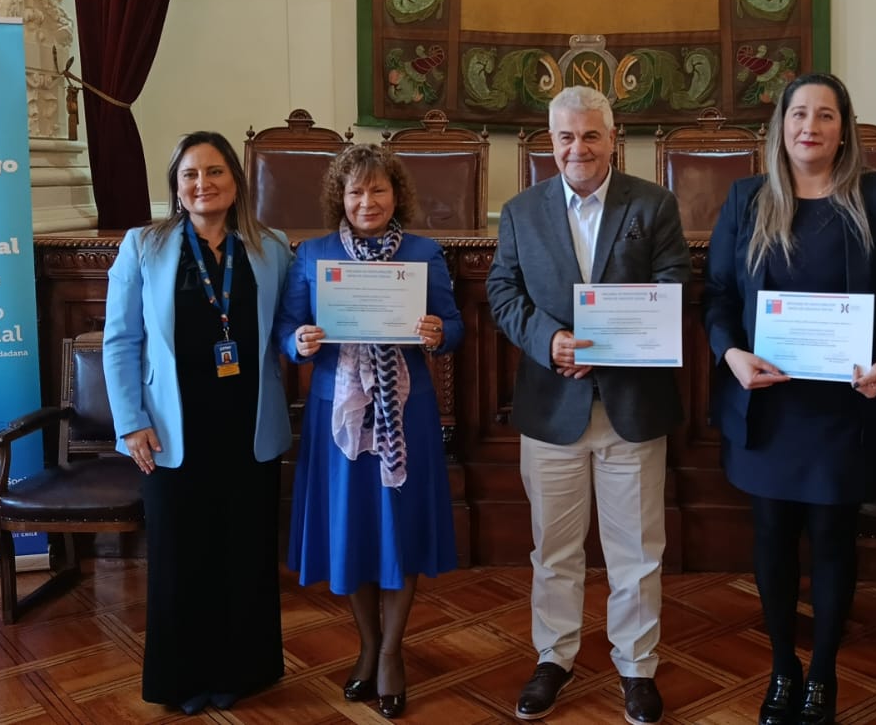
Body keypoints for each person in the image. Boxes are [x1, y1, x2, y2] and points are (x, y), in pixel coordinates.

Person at [705, 73, 876, 725]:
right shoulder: (746, 199)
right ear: (780, 125)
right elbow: (715, 296)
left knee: (832, 537)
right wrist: (731, 353)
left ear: (842, 128)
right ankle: (782, 668)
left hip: (845, 409)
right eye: (798, 113)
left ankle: (821, 673)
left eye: (824, 115)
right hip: (769, 406)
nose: (810, 126)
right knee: (771, 538)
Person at [486, 85, 691, 725]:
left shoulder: (652, 204)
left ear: (613, 137)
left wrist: (615, 340)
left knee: (636, 549)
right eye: (566, 137)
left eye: (591, 135)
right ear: (550, 143)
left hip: (631, 404)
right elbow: (502, 290)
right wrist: (549, 340)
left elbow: (676, 282)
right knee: (554, 548)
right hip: (553, 406)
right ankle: (554, 657)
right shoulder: (521, 210)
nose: (578, 148)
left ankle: (636, 667)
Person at [103, 131, 294, 716]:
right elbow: (121, 342)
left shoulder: (272, 247)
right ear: (176, 186)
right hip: (169, 432)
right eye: (190, 174)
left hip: (248, 427)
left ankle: (245, 672)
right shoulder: (143, 246)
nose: (202, 184)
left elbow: (291, 325)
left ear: (236, 183)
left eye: (214, 172)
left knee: (245, 554)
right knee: (180, 558)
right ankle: (182, 679)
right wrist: (131, 423)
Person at [276, 144, 463, 720]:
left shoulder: (424, 253)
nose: (367, 201)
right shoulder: (313, 254)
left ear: (396, 194)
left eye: (378, 190)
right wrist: (299, 342)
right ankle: (366, 644)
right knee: (351, 530)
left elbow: (454, 326)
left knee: (399, 529)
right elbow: (288, 326)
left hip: (408, 412)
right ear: (341, 196)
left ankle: (391, 653)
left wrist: (437, 333)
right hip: (339, 417)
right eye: (356, 191)